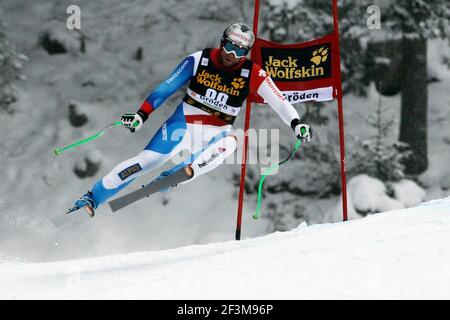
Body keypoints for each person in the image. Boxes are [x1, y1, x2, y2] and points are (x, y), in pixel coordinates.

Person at [70, 23, 313, 217]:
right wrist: (141, 114)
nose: (232, 55)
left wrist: (296, 123)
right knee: (148, 161)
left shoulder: (253, 73)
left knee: (230, 144)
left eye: (240, 51)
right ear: (222, 42)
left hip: (215, 131)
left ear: (246, 53)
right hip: (182, 123)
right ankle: (93, 196)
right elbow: (165, 88)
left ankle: (177, 175)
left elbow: (279, 101)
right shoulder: (199, 59)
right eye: (229, 47)